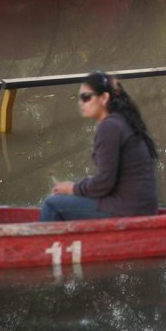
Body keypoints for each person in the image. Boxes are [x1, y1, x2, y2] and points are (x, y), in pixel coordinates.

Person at [39, 71, 158, 222]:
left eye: (86, 97)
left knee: (52, 204)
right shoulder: (121, 121)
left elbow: (104, 183)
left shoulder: (109, 127)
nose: (81, 103)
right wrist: (75, 187)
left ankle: (47, 238)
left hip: (129, 209)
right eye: (80, 98)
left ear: (104, 98)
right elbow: (107, 178)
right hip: (140, 206)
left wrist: (72, 188)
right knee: (72, 187)